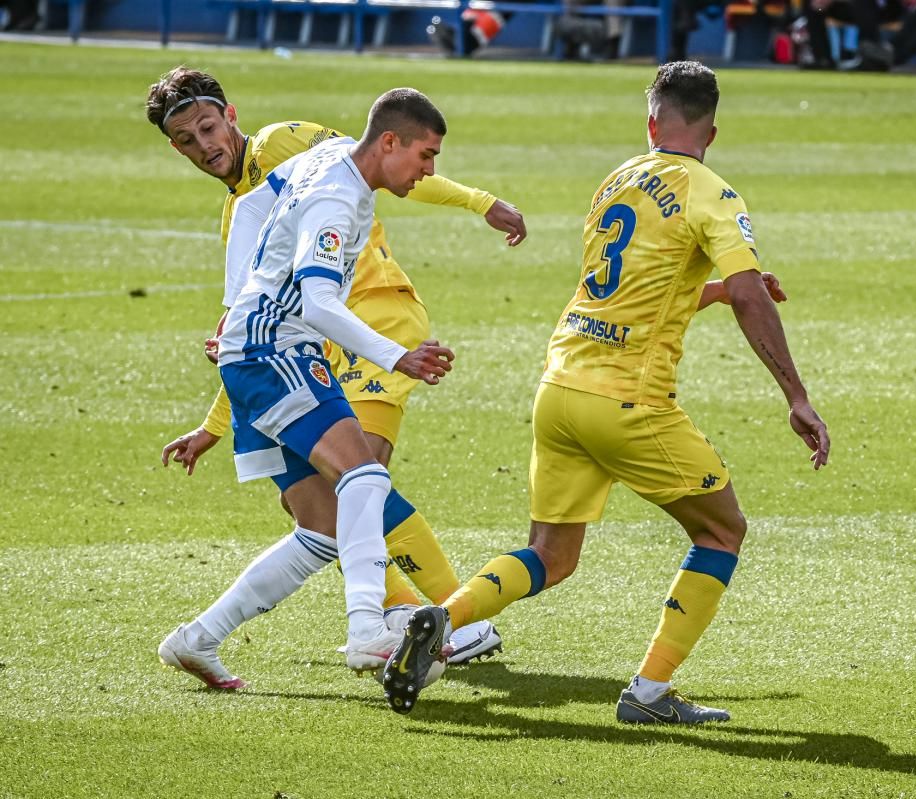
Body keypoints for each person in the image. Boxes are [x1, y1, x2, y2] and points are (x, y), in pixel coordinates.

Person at [381, 61, 830, 725]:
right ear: (712, 129)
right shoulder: (713, 193)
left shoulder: (617, 180)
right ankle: (649, 693)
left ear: (652, 121)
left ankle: (444, 616)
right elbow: (745, 291)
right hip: (628, 400)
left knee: (550, 556)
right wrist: (795, 393)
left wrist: (714, 290)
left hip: (560, 388)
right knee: (721, 529)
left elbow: (637, 290)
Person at [147, 69, 519, 688]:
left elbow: (254, 211)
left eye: (207, 128)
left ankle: (196, 639)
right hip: (291, 346)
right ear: (392, 144)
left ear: (229, 115)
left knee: (322, 527)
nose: (428, 170)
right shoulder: (336, 196)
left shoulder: (303, 155)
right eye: (425, 156)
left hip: (268, 349)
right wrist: (398, 356)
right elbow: (318, 302)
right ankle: (377, 629)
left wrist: (242, 301)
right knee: (365, 477)